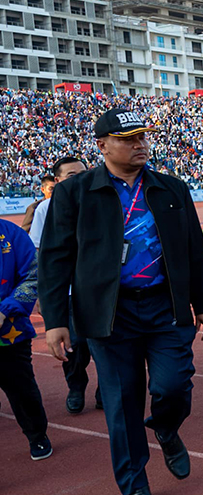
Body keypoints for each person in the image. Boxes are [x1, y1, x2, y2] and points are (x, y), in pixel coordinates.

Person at [40, 108, 203, 495]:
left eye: (142, 137)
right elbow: (54, 259)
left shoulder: (172, 188)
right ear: (102, 146)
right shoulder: (75, 193)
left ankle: (168, 428)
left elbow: (193, 248)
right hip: (109, 314)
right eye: (128, 138)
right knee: (122, 402)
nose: (139, 144)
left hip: (164, 306)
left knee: (173, 386)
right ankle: (135, 483)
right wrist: (54, 320)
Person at [30, 156, 99, 414]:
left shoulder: (100, 202)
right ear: (57, 181)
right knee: (74, 346)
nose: (80, 178)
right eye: (72, 175)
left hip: (98, 290)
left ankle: (106, 389)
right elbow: (40, 254)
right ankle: (76, 387)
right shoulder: (44, 210)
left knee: (107, 341)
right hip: (67, 293)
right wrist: (43, 294)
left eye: (84, 173)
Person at [0, 218, 52, 461]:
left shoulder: (10, 234)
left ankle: (36, 434)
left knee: (22, 390)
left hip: (10, 334)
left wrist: (5, 310)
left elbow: (34, 275)